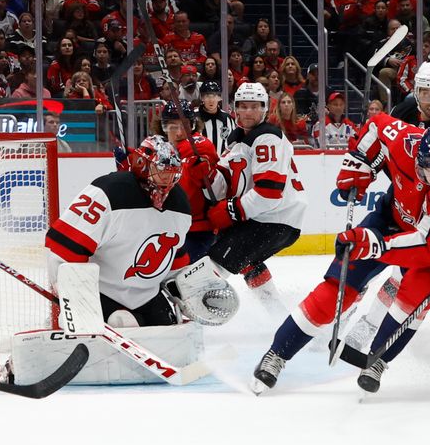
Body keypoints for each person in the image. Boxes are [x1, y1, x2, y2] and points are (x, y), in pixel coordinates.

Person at [250, 122, 430, 395]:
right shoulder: (405, 141)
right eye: (428, 170)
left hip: (428, 247)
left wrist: (375, 246)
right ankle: (277, 354)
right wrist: (359, 159)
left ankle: (378, 360)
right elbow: (375, 124)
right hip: (386, 222)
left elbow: (427, 246)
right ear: (418, 157)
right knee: (337, 290)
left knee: (414, 298)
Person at [46, 135, 201, 328]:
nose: (166, 181)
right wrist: (73, 295)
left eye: (171, 174)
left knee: (171, 327)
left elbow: (174, 259)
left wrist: (186, 293)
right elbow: (63, 247)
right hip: (102, 289)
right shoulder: (110, 191)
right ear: (142, 165)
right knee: (122, 322)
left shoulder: (179, 203)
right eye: (161, 172)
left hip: (145, 295)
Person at [202, 82, 307, 308]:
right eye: (243, 106)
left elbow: (269, 193)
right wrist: (207, 174)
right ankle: (277, 317)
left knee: (214, 263)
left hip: (273, 218)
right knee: (249, 263)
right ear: (235, 108)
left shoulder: (267, 137)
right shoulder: (238, 139)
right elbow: (227, 182)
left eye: (254, 107)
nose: (248, 111)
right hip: (270, 219)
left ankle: (193, 326)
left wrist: (232, 211)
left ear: (265, 109)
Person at [155, 99, 219, 264]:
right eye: (172, 126)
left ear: (193, 125)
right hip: (169, 227)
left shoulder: (200, 145)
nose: (178, 133)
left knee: (185, 273)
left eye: (184, 126)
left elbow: (189, 151)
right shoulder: (160, 148)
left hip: (199, 229)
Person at [198, 81, 235, 155]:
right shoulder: (195, 117)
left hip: (222, 163)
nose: (211, 100)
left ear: (219, 97)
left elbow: (233, 143)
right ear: (202, 98)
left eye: (214, 96)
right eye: (207, 96)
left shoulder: (227, 119)